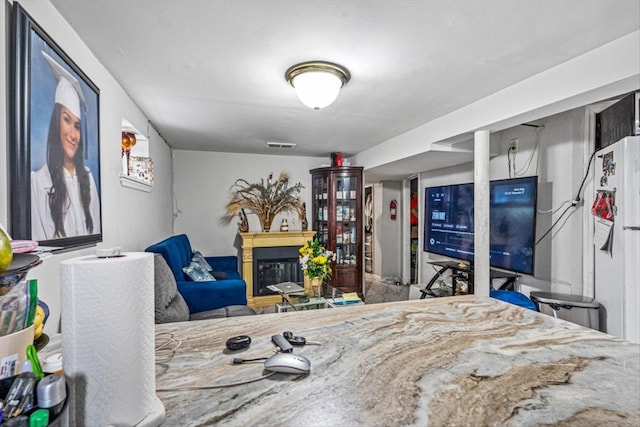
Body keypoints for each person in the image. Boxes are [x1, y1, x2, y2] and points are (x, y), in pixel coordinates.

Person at [31, 51, 100, 241]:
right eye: (66, 120)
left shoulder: (87, 178)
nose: (72, 133)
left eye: (77, 125)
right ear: (56, 125)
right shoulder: (38, 182)